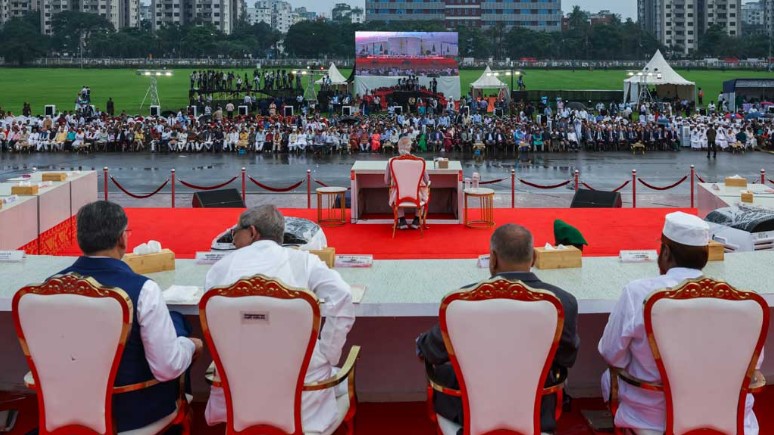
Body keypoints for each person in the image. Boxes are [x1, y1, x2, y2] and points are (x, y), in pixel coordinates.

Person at [598, 211, 762, 434]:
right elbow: (755, 363)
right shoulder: (741, 301)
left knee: (609, 375)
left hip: (654, 419)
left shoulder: (637, 293)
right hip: (731, 416)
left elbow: (611, 354)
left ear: (665, 252)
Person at [203, 205, 355, 434]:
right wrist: (327, 354)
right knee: (335, 377)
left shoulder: (219, 270)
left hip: (240, 395)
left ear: (252, 232)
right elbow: (342, 296)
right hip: (302, 401)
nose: (233, 239)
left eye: (236, 232)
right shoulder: (304, 262)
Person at [416, 224, 580, 434]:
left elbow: (432, 351)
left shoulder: (463, 301)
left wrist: (420, 343)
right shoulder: (562, 302)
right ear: (533, 258)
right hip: (536, 411)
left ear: (492, 259)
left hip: (468, 412)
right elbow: (567, 358)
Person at [56, 201, 202, 432]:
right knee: (179, 329)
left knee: (175, 322)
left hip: (67, 406)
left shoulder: (49, 288)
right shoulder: (143, 289)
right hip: (132, 409)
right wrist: (190, 346)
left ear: (80, 238)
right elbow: (167, 367)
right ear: (122, 239)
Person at [385, 136, 430, 230]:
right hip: (417, 196)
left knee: (397, 189)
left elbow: (386, 181)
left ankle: (402, 220)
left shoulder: (391, 162)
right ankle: (417, 219)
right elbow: (426, 180)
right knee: (424, 189)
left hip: (398, 197)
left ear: (398, 147)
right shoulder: (419, 161)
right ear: (410, 147)